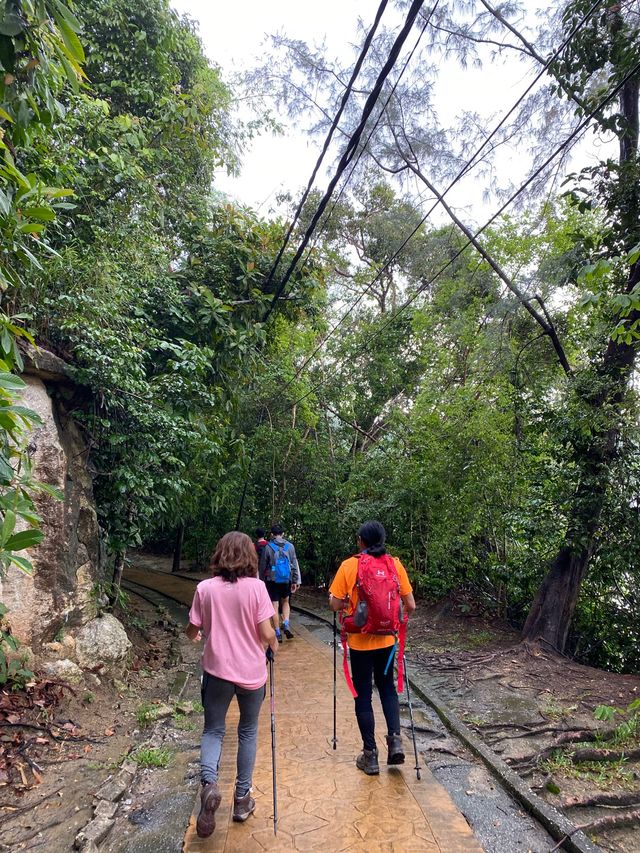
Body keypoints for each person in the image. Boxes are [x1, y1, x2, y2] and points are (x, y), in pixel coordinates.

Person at [186, 531, 278, 839]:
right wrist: (274, 645)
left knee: (213, 729)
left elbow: (192, 630)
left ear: (220, 554)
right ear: (250, 556)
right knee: (248, 731)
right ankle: (242, 800)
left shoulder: (205, 588)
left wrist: (197, 633)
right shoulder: (257, 589)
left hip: (217, 672)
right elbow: (266, 633)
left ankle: (210, 784)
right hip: (251, 674)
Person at [329, 520, 416, 776]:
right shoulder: (394, 565)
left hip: (359, 643)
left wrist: (338, 601)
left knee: (363, 694)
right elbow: (410, 604)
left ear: (361, 541)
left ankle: (370, 756)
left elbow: (334, 605)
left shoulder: (349, 565)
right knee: (388, 689)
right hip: (387, 642)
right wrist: (394, 619)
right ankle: (395, 742)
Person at [259, 523, 301, 642]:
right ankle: (286, 623)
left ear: (272, 534)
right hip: (286, 579)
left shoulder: (268, 547)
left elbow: (263, 566)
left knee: (275, 605)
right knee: (286, 601)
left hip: (272, 580)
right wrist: (295, 580)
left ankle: (277, 631)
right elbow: (294, 564)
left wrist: (261, 580)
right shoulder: (290, 546)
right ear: (282, 534)